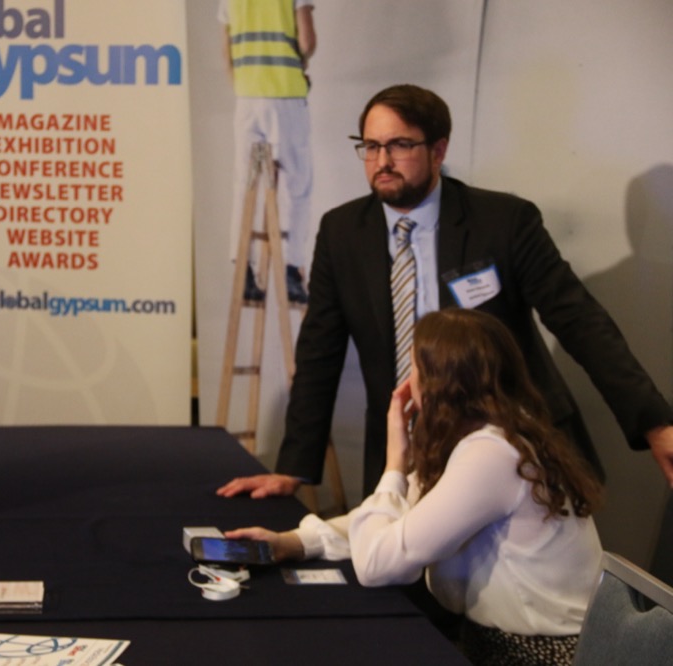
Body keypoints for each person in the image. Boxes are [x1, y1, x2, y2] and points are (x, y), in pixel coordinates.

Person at [217, 83, 673, 500]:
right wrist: (293, 468)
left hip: (514, 447)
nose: (382, 162)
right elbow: (319, 350)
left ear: (438, 150)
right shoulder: (342, 232)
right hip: (405, 454)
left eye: (400, 145)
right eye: (371, 147)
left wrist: (655, 423)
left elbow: (580, 322)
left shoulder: (503, 222)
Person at [228, 308, 605, 665]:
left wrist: (395, 461)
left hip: (530, 656)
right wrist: (295, 542)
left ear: (440, 384)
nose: (407, 384)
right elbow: (401, 520)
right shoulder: (496, 435)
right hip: (513, 645)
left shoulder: (492, 455)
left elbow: (376, 565)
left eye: (415, 370)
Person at [218, 0, 316, 303]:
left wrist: (242, 87)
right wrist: (302, 63)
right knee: (296, 183)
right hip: (285, 94)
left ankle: (243, 270)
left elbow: (226, 50)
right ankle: (290, 270)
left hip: (247, 98)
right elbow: (307, 41)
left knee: (244, 186)